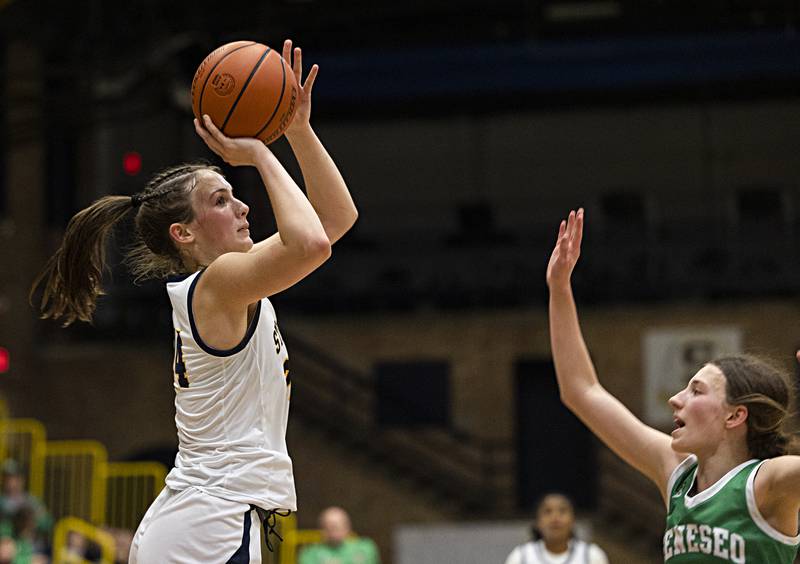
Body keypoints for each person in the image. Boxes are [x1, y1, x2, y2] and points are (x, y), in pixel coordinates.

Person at [31, 39, 357, 563]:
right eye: (222, 199)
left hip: (210, 518)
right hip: (208, 524)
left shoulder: (231, 282)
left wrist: (298, 130)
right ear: (184, 233)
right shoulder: (219, 283)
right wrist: (258, 151)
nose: (244, 204)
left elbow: (336, 221)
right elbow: (314, 243)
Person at [546, 209, 800, 562]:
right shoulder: (676, 472)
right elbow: (581, 391)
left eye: (696, 390)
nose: (674, 399)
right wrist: (559, 289)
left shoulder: (767, 481)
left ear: (735, 415)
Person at [504, 492, 608, 564]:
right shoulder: (520, 556)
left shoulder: (592, 555)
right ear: (537, 522)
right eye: (547, 511)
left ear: (573, 520)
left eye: (562, 511)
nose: (555, 518)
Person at [298, 506, 380, 564]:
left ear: (348, 527)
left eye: (338, 526)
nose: (334, 530)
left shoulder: (365, 547)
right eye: (330, 526)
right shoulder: (310, 553)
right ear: (322, 529)